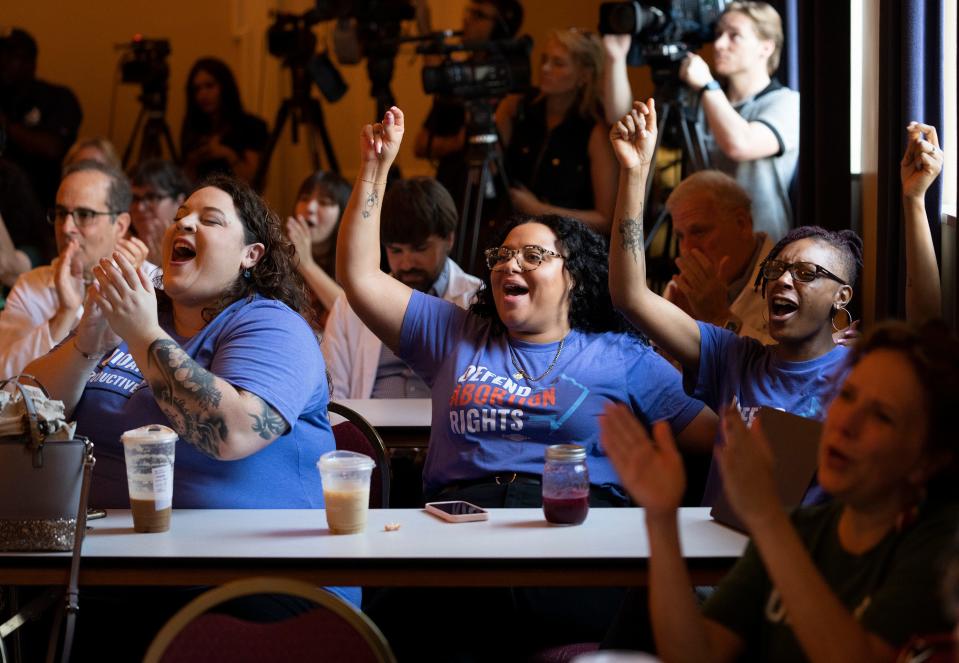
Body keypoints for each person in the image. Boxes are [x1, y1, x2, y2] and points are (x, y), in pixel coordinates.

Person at [345, 105, 715, 660]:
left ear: (574, 275)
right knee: (372, 627)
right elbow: (360, 277)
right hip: (462, 546)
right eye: (502, 254)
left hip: (579, 544)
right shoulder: (452, 333)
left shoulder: (620, 356)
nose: (508, 264)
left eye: (533, 255)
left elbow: (718, 440)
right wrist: (375, 169)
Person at [608, 100, 943, 504]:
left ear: (842, 297)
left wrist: (914, 201)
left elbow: (929, 332)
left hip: (810, 553)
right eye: (776, 270)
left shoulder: (858, 374)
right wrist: (634, 172)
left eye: (805, 274)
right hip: (722, 550)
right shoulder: (733, 359)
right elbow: (629, 295)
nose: (783, 280)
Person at [600, 319, 959, 662]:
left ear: (930, 459)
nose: (846, 423)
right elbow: (697, 654)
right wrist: (661, 517)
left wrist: (766, 516)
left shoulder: (939, 548)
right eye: (847, 396)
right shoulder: (803, 529)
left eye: (882, 416)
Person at [322, 176, 481, 399]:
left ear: (449, 239)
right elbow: (332, 394)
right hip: (369, 429)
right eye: (395, 251)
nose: (407, 264)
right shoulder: (348, 306)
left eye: (420, 249)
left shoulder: (478, 301)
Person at [0, 160, 150, 379]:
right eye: (61, 213)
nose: (66, 228)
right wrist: (64, 314)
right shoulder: (30, 286)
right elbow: (5, 379)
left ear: (120, 225)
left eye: (85, 215)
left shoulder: (151, 282)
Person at [678, 1, 798, 241]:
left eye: (735, 36)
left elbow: (740, 144)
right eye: (718, 34)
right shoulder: (702, 98)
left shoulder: (786, 102)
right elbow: (620, 119)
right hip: (702, 243)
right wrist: (614, 56)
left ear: (765, 47)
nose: (719, 44)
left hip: (762, 245)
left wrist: (707, 85)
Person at [497, 28, 618, 234]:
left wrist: (540, 210)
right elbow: (492, 170)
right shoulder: (519, 107)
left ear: (584, 75)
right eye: (544, 59)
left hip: (566, 241)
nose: (544, 68)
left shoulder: (593, 131)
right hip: (510, 230)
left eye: (558, 63)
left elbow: (606, 219)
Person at [413, 0, 524, 208]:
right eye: (469, 12)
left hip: (494, 200)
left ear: (501, 27)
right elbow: (420, 145)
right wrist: (457, 142)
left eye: (479, 15)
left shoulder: (511, 81)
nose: (467, 20)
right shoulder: (459, 79)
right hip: (451, 195)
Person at [661, 170, 775, 344]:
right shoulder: (682, 290)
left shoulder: (794, 283)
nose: (686, 249)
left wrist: (719, 317)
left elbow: (792, 368)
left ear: (742, 224)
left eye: (699, 232)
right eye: (680, 236)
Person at [0, 28, 82, 208]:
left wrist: (7, 126)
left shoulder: (57, 98)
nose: (3, 62)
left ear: (31, 62)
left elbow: (53, 148)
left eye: (11, 57)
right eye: (1, 55)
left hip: (42, 205)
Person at [180, 58, 267, 186]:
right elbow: (184, 184)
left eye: (209, 86)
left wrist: (227, 154)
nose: (203, 94)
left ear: (225, 87)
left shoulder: (250, 125)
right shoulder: (194, 127)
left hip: (239, 201)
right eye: (197, 89)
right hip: (201, 198)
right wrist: (194, 161)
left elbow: (254, 180)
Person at [285, 170, 351, 329]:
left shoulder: (353, 261)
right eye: (304, 199)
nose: (310, 208)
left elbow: (353, 316)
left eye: (324, 202)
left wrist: (306, 264)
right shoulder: (280, 257)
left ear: (343, 212)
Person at [129, 159, 191, 266]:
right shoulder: (119, 249)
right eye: (135, 198)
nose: (140, 207)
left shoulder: (193, 251)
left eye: (152, 197)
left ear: (180, 202)